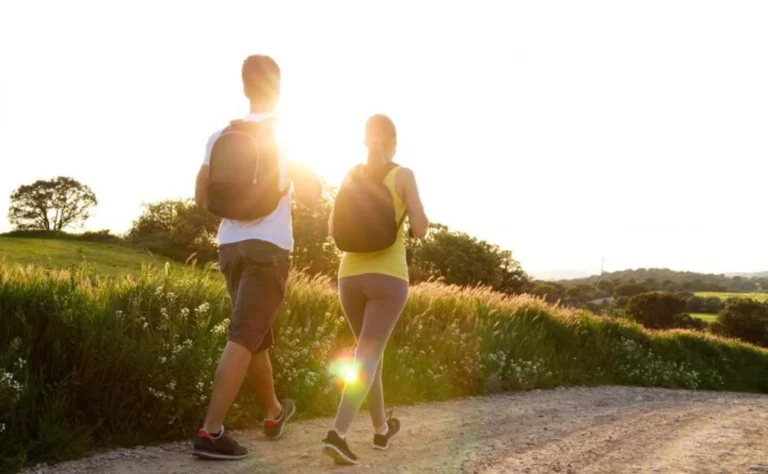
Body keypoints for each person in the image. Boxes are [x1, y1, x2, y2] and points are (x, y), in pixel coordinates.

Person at [192, 54, 322, 460]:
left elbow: (201, 196)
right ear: (278, 90)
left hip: (229, 245)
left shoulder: (219, 135)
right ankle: (211, 432)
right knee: (244, 336)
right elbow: (314, 198)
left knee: (255, 338)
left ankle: (273, 412)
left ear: (245, 89)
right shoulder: (287, 138)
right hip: (269, 248)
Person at [322, 114, 429, 465]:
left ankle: (382, 429)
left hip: (349, 276)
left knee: (370, 356)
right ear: (393, 141)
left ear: (366, 140)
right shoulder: (404, 175)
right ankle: (337, 434)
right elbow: (421, 228)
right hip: (388, 278)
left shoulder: (351, 175)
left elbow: (332, 225)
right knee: (366, 356)